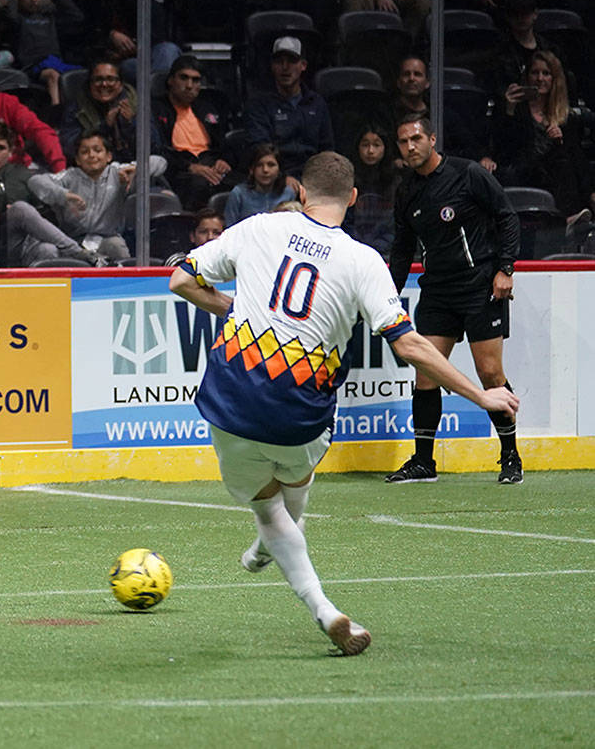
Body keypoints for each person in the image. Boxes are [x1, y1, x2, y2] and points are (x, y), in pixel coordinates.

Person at [169, 151, 519, 655]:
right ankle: (281, 553)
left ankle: (322, 605)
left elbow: (181, 279)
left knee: (269, 509)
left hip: (231, 397)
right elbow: (410, 345)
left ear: (301, 192)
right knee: (293, 492)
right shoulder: (363, 260)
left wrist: (232, 307)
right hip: (301, 412)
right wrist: (481, 394)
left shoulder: (258, 227)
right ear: (353, 198)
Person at [386, 113, 524, 485]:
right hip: (437, 292)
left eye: (416, 138)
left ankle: (510, 456)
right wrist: (388, 294)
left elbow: (507, 217)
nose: (410, 147)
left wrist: (505, 268)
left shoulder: (468, 174)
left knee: (490, 373)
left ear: (432, 139)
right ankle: (423, 462)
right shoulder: (406, 191)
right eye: (403, 142)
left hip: (480, 286)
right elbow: (402, 249)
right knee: (426, 372)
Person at [0, 121, 97, 265]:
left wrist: (63, 200)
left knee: (48, 250)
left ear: (11, 151)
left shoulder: (24, 175)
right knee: (20, 209)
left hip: (21, 246)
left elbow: (49, 215)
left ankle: (77, 255)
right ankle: (79, 252)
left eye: (0, 148)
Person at [494, 50, 594, 225]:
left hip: (554, 171)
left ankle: (570, 218)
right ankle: (566, 221)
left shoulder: (565, 116)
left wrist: (560, 141)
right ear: (527, 77)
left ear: (554, 79)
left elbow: (576, 156)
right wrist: (509, 109)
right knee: (559, 164)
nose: (540, 78)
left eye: (546, 73)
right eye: (535, 73)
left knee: (565, 160)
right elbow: (504, 147)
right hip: (525, 169)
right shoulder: (517, 109)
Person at [36, 131, 167, 262]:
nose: (91, 155)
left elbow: (160, 162)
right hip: (72, 240)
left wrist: (137, 168)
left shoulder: (119, 173)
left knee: (116, 246)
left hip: (108, 238)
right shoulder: (69, 177)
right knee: (49, 251)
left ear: (109, 156)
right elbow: (36, 181)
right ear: (77, 160)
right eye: (85, 152)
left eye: (97, 150)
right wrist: (63, 195)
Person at [243, 37, 334, 180]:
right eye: (279, 61)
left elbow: (327, 149)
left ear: (303, 65)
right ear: (272, 66)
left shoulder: (317, 103)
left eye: (291, 61)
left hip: (313, 177)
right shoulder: (258, 104)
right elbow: (260, 150)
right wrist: (282, 178)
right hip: (274, 178)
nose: (285, 67)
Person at [387, 55, 495, 171]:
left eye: (417, 74)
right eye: (406, 74)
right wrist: (395, 162)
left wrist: (484, 158)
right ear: (398, 82)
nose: (411, 78)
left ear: (427, 82)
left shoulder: (441, 114)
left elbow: (468, 144)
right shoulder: (387, 113)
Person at [155, 54, 234, 210]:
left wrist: (224, 160)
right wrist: (190, 167)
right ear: (171, 80)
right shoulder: (156, 108)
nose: (189, 85)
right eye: (183, 78)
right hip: (179, 168)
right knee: (198, 185)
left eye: (195, 80)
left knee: (243, 185)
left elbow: (225, 143)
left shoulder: (207, 108)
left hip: (210, 163)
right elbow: (156, 149)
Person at [59, 59, 164, 171]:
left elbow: (155, 147)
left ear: (120, 84)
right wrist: (104, 127)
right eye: (98, 80)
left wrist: (130, 124)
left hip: (134, 168)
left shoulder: (136, 104)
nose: (104, 84)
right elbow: (70, 148)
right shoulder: (77, 108)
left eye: (110, 79)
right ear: (90, 83)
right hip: (95, 171)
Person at [0, 0, 83, 105]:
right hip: (31, 65)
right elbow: (11, 21)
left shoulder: (48, 13)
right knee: (52, 75)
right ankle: (55, 111)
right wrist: (12, 0)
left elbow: (76, 17)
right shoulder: (18, 16)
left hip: (55, 61)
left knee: (81, 75)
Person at [342, 124, 401, 257]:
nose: (370, 151)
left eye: (376, 145)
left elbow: (395, 223)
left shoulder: (395, 181)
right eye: (365, 145)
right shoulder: (348, 180)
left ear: (385, 147)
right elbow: (345, 221)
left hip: (386, 252)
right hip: (353, 251)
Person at [223, 143, 297, 226]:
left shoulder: (288, 194)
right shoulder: (238, 194)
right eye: (259, 165)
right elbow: (229, 228)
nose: (265, 170)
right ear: (251, 170)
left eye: (271, 165)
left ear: (279, 170)